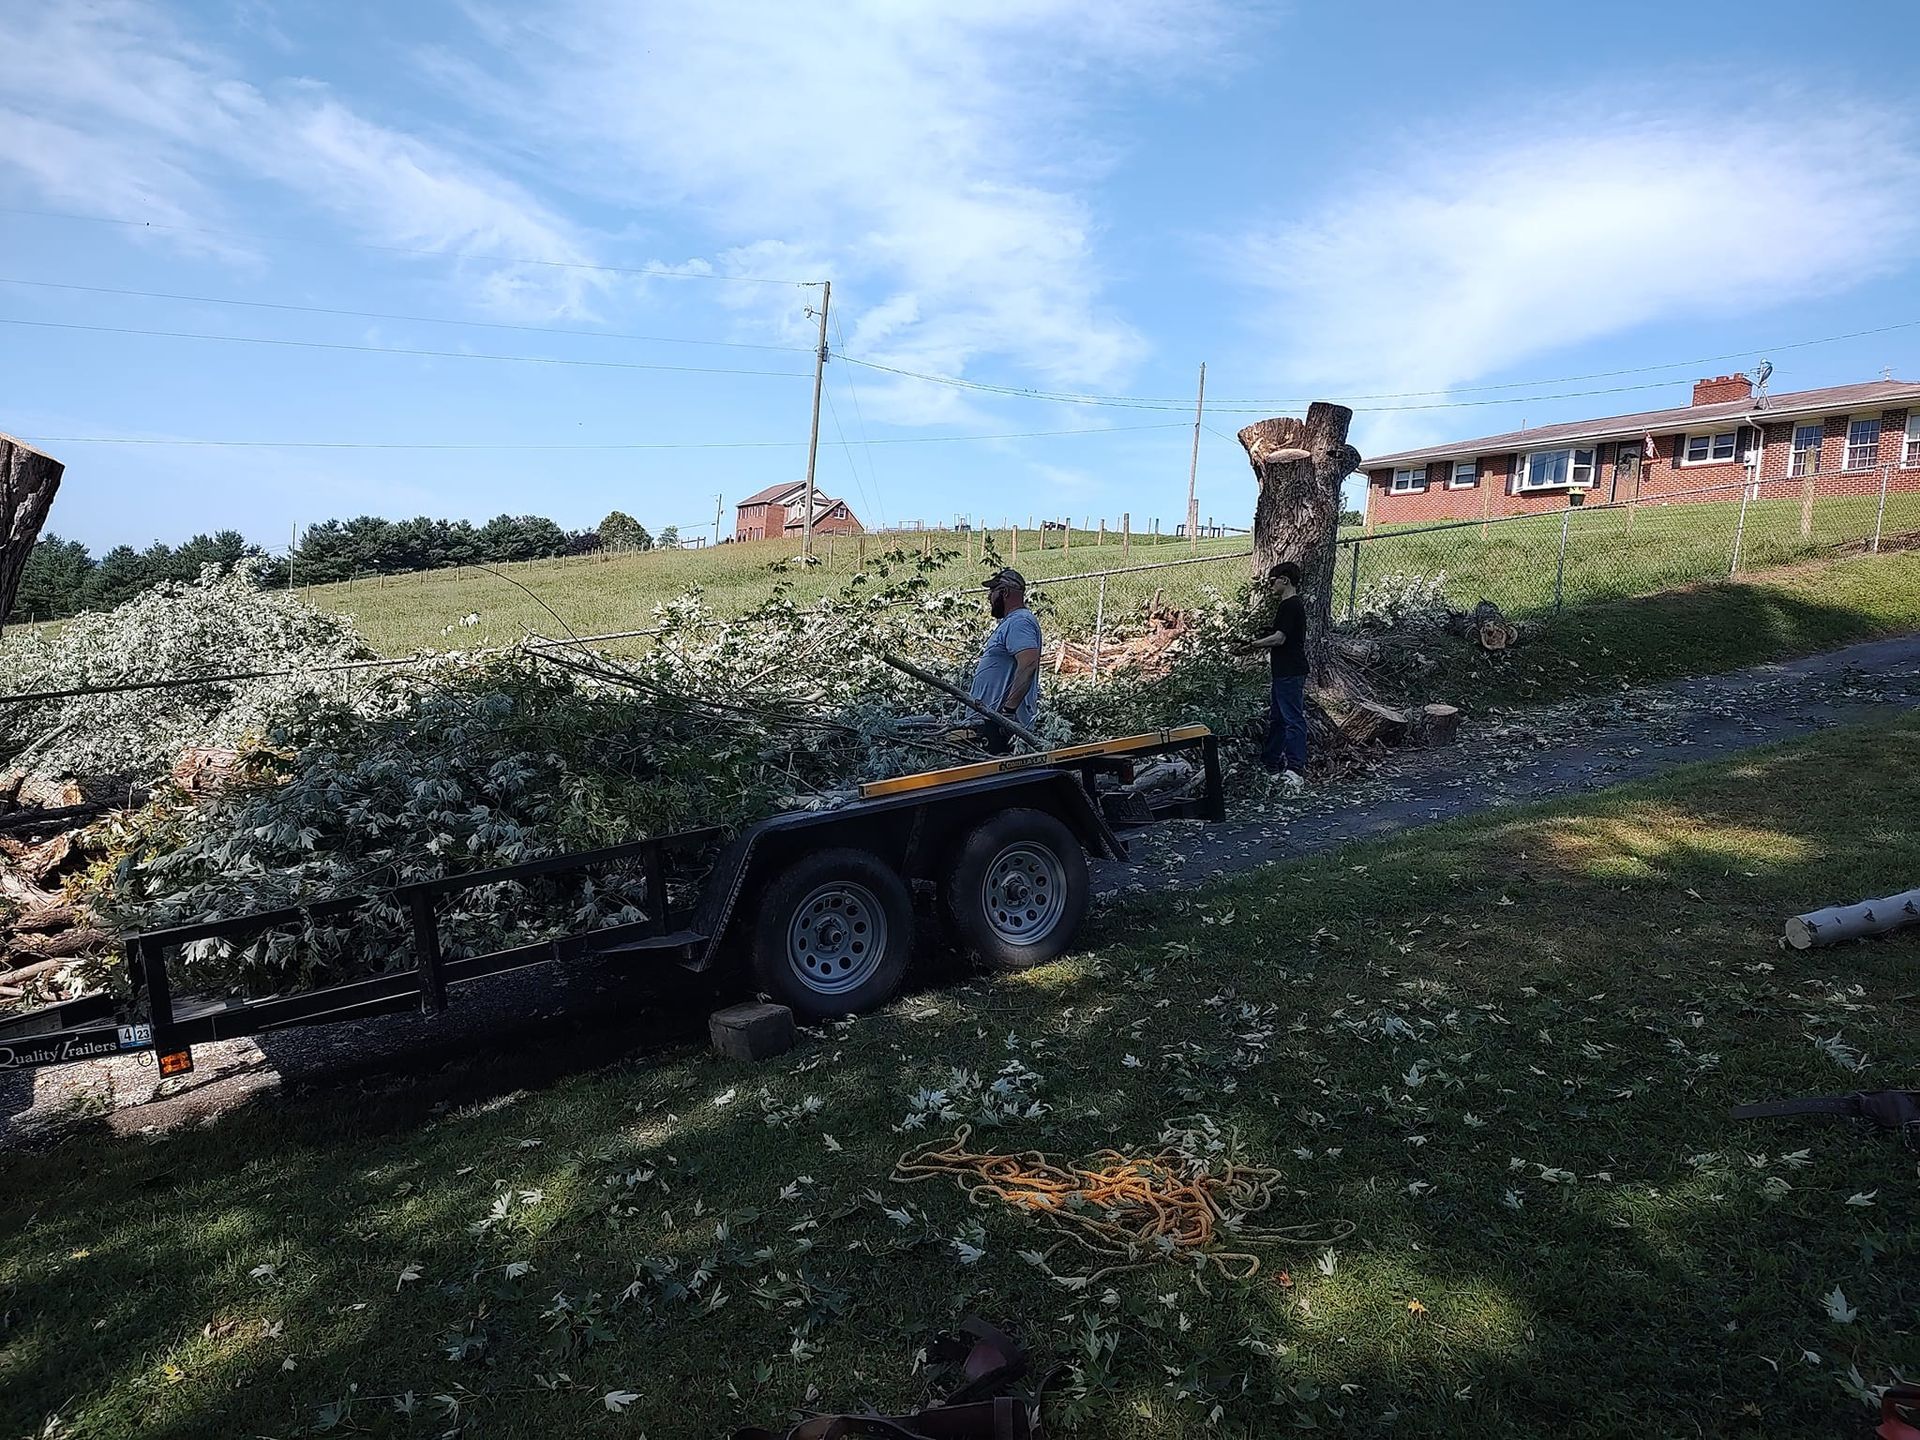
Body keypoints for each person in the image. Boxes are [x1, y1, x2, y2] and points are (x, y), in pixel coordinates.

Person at [1244, 561, 1310, 786]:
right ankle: (1270, 762)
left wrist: (1253, 644)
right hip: (1282, 671)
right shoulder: (1288, 606)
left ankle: (1295, 768)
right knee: (1278, 718)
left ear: (1285, 579)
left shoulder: (1290, 605)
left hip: (1290, 670)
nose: (1271, 585)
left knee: (1292, 718)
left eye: (1273, 581)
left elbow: (1280, 638)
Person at [969, 568, 1042, 753]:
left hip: (1000, 727)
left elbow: (1029, 663)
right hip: (992, 721)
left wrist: (1008, 712)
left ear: (1005, 592)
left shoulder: (1020, 622)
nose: (989, 597)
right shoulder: (1013, 621)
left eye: (992, 591)